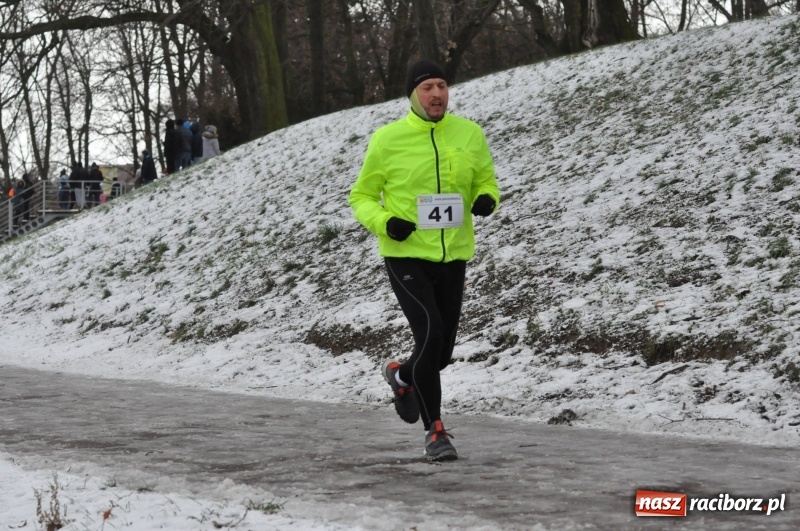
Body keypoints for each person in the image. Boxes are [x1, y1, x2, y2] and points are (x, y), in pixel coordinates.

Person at [348, 59, 499, 462]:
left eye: (442, 86)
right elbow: (361, 196)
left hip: (453, 255)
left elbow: (485, 180)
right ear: (413, 95)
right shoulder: (387, 140)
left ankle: (401, 375)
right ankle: (435, 432)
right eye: (427, 87)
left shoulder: (469, 133)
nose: (437, 94)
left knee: (441, 353)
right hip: (406, 255)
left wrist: (487, 198)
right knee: (430, 334)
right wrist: (385, 222)